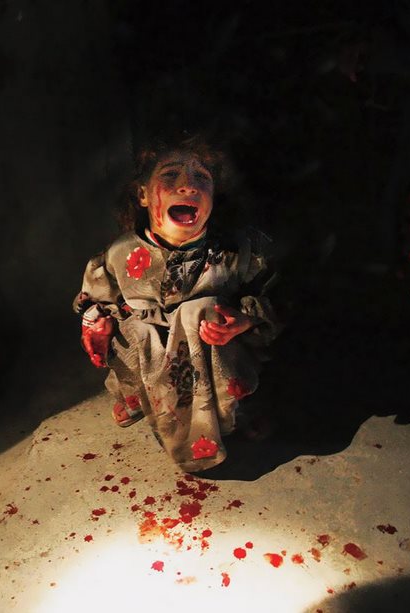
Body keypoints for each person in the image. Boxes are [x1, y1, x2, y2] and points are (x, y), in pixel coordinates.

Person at [73, 133, 280, 473]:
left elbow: (272, 295)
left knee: (200, 311)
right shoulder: (118, 254)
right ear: (142, 194)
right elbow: (94, 299)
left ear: (214, 197)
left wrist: (245, 319)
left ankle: (230, 416)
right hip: (147, 355)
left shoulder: (234, 253)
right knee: (135, 327)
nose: (188, 186)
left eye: (202, 177)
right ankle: (138, 399)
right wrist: (98, 322)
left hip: (211, 355)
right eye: (170, 175)